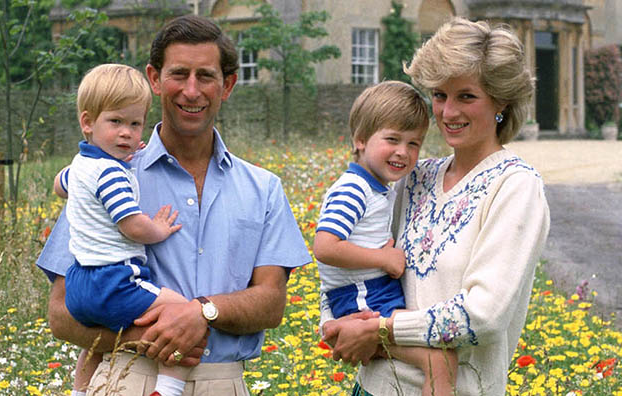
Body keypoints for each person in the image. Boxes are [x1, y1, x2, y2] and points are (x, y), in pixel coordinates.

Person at [37, 14, 311, 396]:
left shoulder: (262, 188)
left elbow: (271, 303)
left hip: (224, 383)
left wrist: (200, 312)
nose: (192, 91)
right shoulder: (104, 174)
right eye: (179, 74)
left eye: (206, 76)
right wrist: (145, 337)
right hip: (127, 375)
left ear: (228, 85)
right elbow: (62, 312)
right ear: (154, 78)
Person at [320, 17, 550, 396]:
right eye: (440, 95)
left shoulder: (515, 186)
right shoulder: (414, 177)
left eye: (466, 96)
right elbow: (350, 254)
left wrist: (379, 329)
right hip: (373, 387)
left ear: (501, 103)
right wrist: (335, 323)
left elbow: (484, 315)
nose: (447, 111)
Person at [51, 63, 193, 396]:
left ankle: (80, 391)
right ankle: (169, 389)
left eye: (135, 124)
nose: (127, 134)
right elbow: (131, 225)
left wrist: (116, 152)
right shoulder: (111, 175)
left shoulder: (81, 166)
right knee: (181, 314)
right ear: (88, 122)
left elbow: (59, 184)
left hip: (79, 285)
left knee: (97, 345)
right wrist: (158, 228)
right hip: (114, 280)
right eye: (115, 122)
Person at [313, 81, 457, 396]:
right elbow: (324, 247)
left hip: (371, 292)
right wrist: (384, 259)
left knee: (436, 353)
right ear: (360, 140)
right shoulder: (353, 188)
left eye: (414, 143)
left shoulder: (378, 187)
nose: (403, 152)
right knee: (438, 359)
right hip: (363, 296)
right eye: (392, 139)